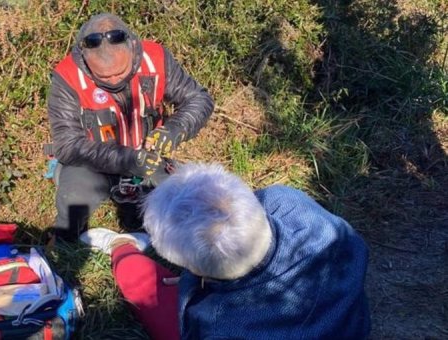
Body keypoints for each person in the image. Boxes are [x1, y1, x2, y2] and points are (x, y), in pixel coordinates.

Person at [80, 163, 371, 340]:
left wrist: (192, 287)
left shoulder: (219, 324)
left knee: (142, 281)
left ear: (195, 270)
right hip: (350, 328)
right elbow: (358, 246)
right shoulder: (289, 202)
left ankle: (122, 247)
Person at [47, 13, 214, 242]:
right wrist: (126, 159)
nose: (114, 81)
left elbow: (198, 99)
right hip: (93, 164)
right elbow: (67, 145)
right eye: (104, 76)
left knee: (183, 205)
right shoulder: (67, 76)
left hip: (148, 159)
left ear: (133, 48)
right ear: (85, 60)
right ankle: (64, 248)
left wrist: (175, 129)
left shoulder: (155, 58)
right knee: (73, 199)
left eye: (121, 72)